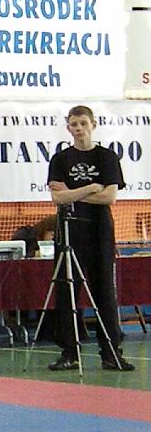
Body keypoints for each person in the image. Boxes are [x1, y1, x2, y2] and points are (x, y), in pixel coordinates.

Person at [46, 105, 134, 372]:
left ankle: (111, 352)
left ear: (93, 125)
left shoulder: (106, 157)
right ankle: (69, 353)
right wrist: (90, 187)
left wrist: (73, 192)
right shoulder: (60, 159)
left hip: (100, 230)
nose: (79, 129)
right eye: (74, 124)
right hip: (69, 230)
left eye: (83, 123)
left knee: (104, 290)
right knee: (67, 292)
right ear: (68, 127)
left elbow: (109, 197)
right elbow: (58, 198)